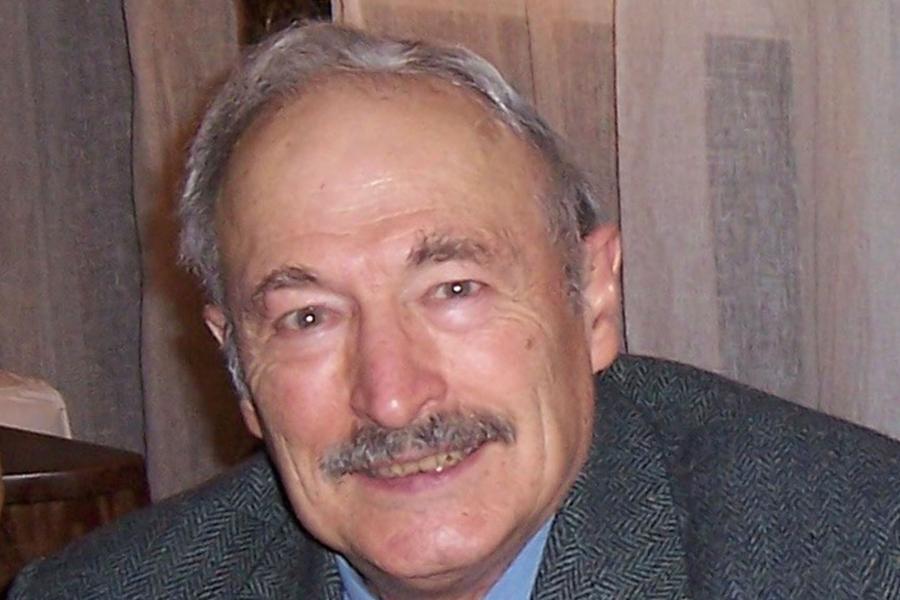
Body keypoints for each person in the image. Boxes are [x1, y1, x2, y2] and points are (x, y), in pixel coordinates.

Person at [9, 22, 899, 600]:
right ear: (237, 365)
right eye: (308, 317)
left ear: (593, 298)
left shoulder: (857, 559)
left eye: (454, 290)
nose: (393, 397)